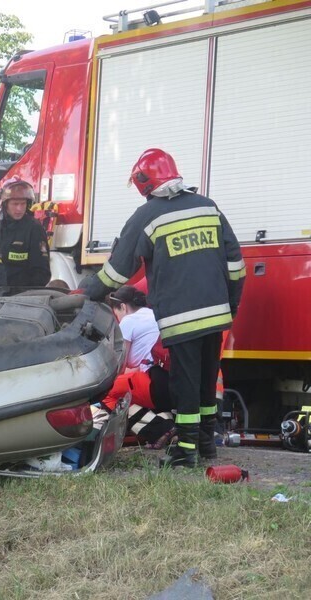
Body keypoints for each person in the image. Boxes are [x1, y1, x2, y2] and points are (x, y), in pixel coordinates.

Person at [81, 148, 245, 467]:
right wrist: (233, 305)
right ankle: (208, 445)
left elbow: (117, 270)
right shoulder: (208, 207)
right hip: (217, 316)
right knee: (206, 381)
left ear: (144, 182)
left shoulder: (148, 215)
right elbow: (236, 265)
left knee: (184, 383)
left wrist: (86, 292)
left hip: (181, 320)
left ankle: (185, 451)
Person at [98, 286, 175, 448]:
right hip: (173, 381)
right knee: (130, 389)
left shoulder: (128, 321)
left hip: (155, 383)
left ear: (123, 307)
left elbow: (119, 365)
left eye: (116, 314)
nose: (117, 320)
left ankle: (160, 430)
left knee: (109, 393)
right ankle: (168, 423)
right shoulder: (155, 314)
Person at [0, 177, 51, 287]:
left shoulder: (35, 229)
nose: (19, 209)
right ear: (5, 204)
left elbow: (42, 272)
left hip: (22, 296)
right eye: (15, 204)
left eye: (23, 204)